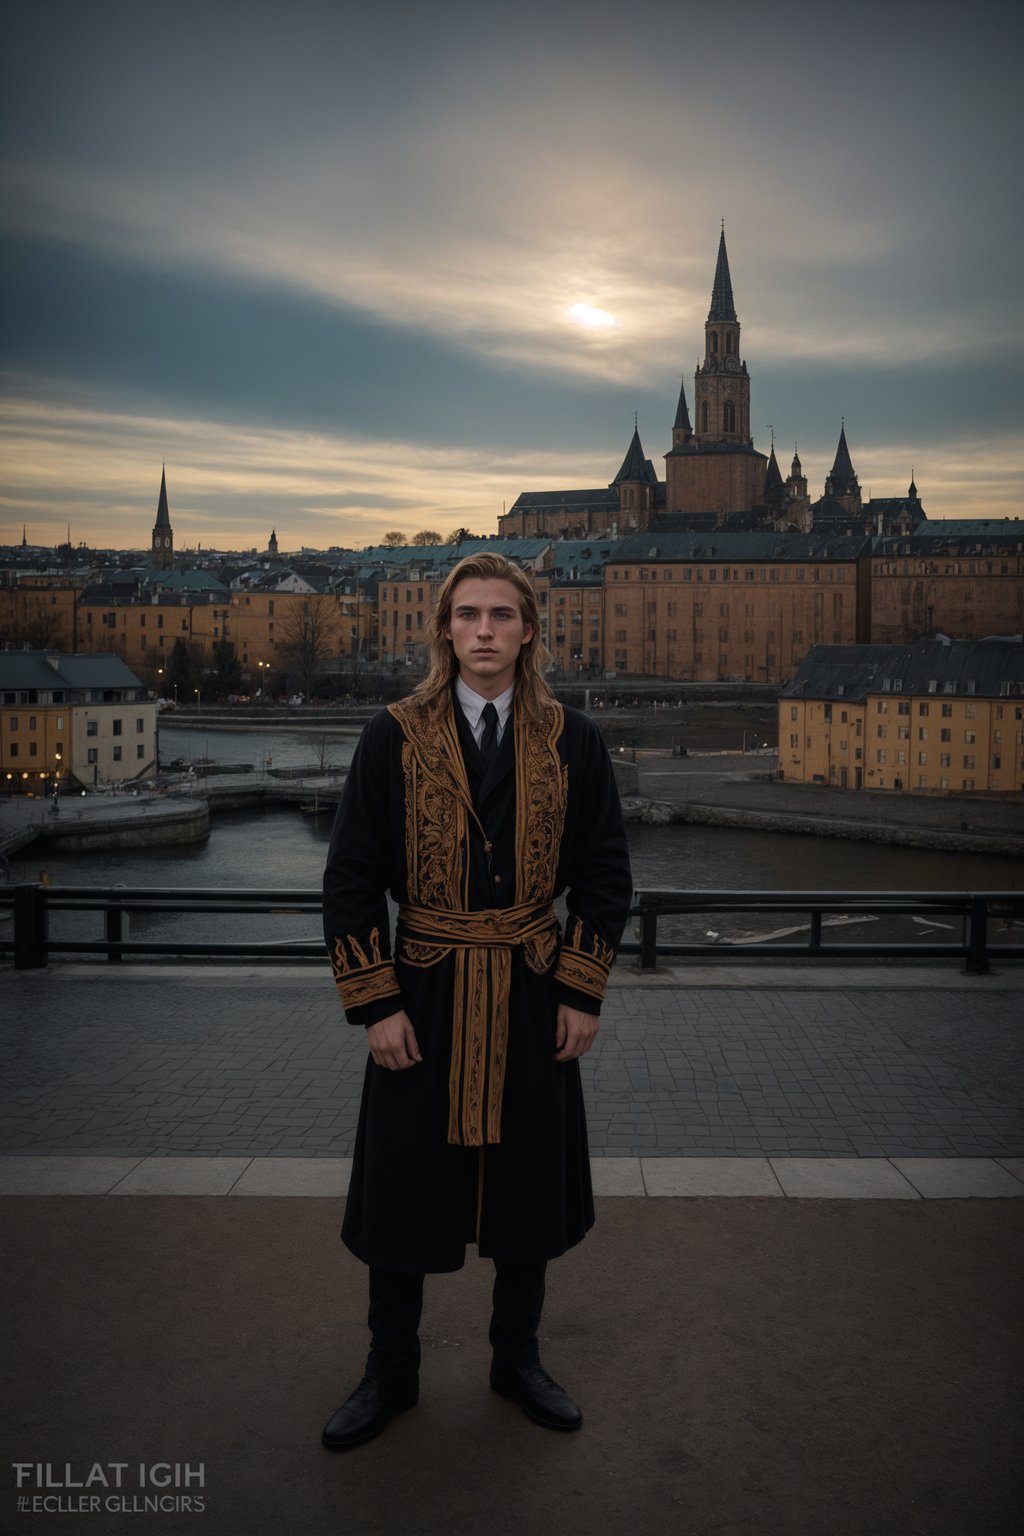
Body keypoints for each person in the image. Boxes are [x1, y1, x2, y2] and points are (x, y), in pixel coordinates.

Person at [321, 553, 632, 1450]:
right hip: (424, 990)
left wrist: (581, 988)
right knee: (401, 1190)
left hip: (533, 995)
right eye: (468, 615)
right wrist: (377, 1005)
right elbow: (349, 881)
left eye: (502, 615)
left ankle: (517, 1358)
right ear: (444, 628)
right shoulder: (392, 735)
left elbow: (606, 874)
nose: (485, 631)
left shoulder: (573, 740)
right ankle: (390, 1372)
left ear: (530, 629)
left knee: (526, 1189)